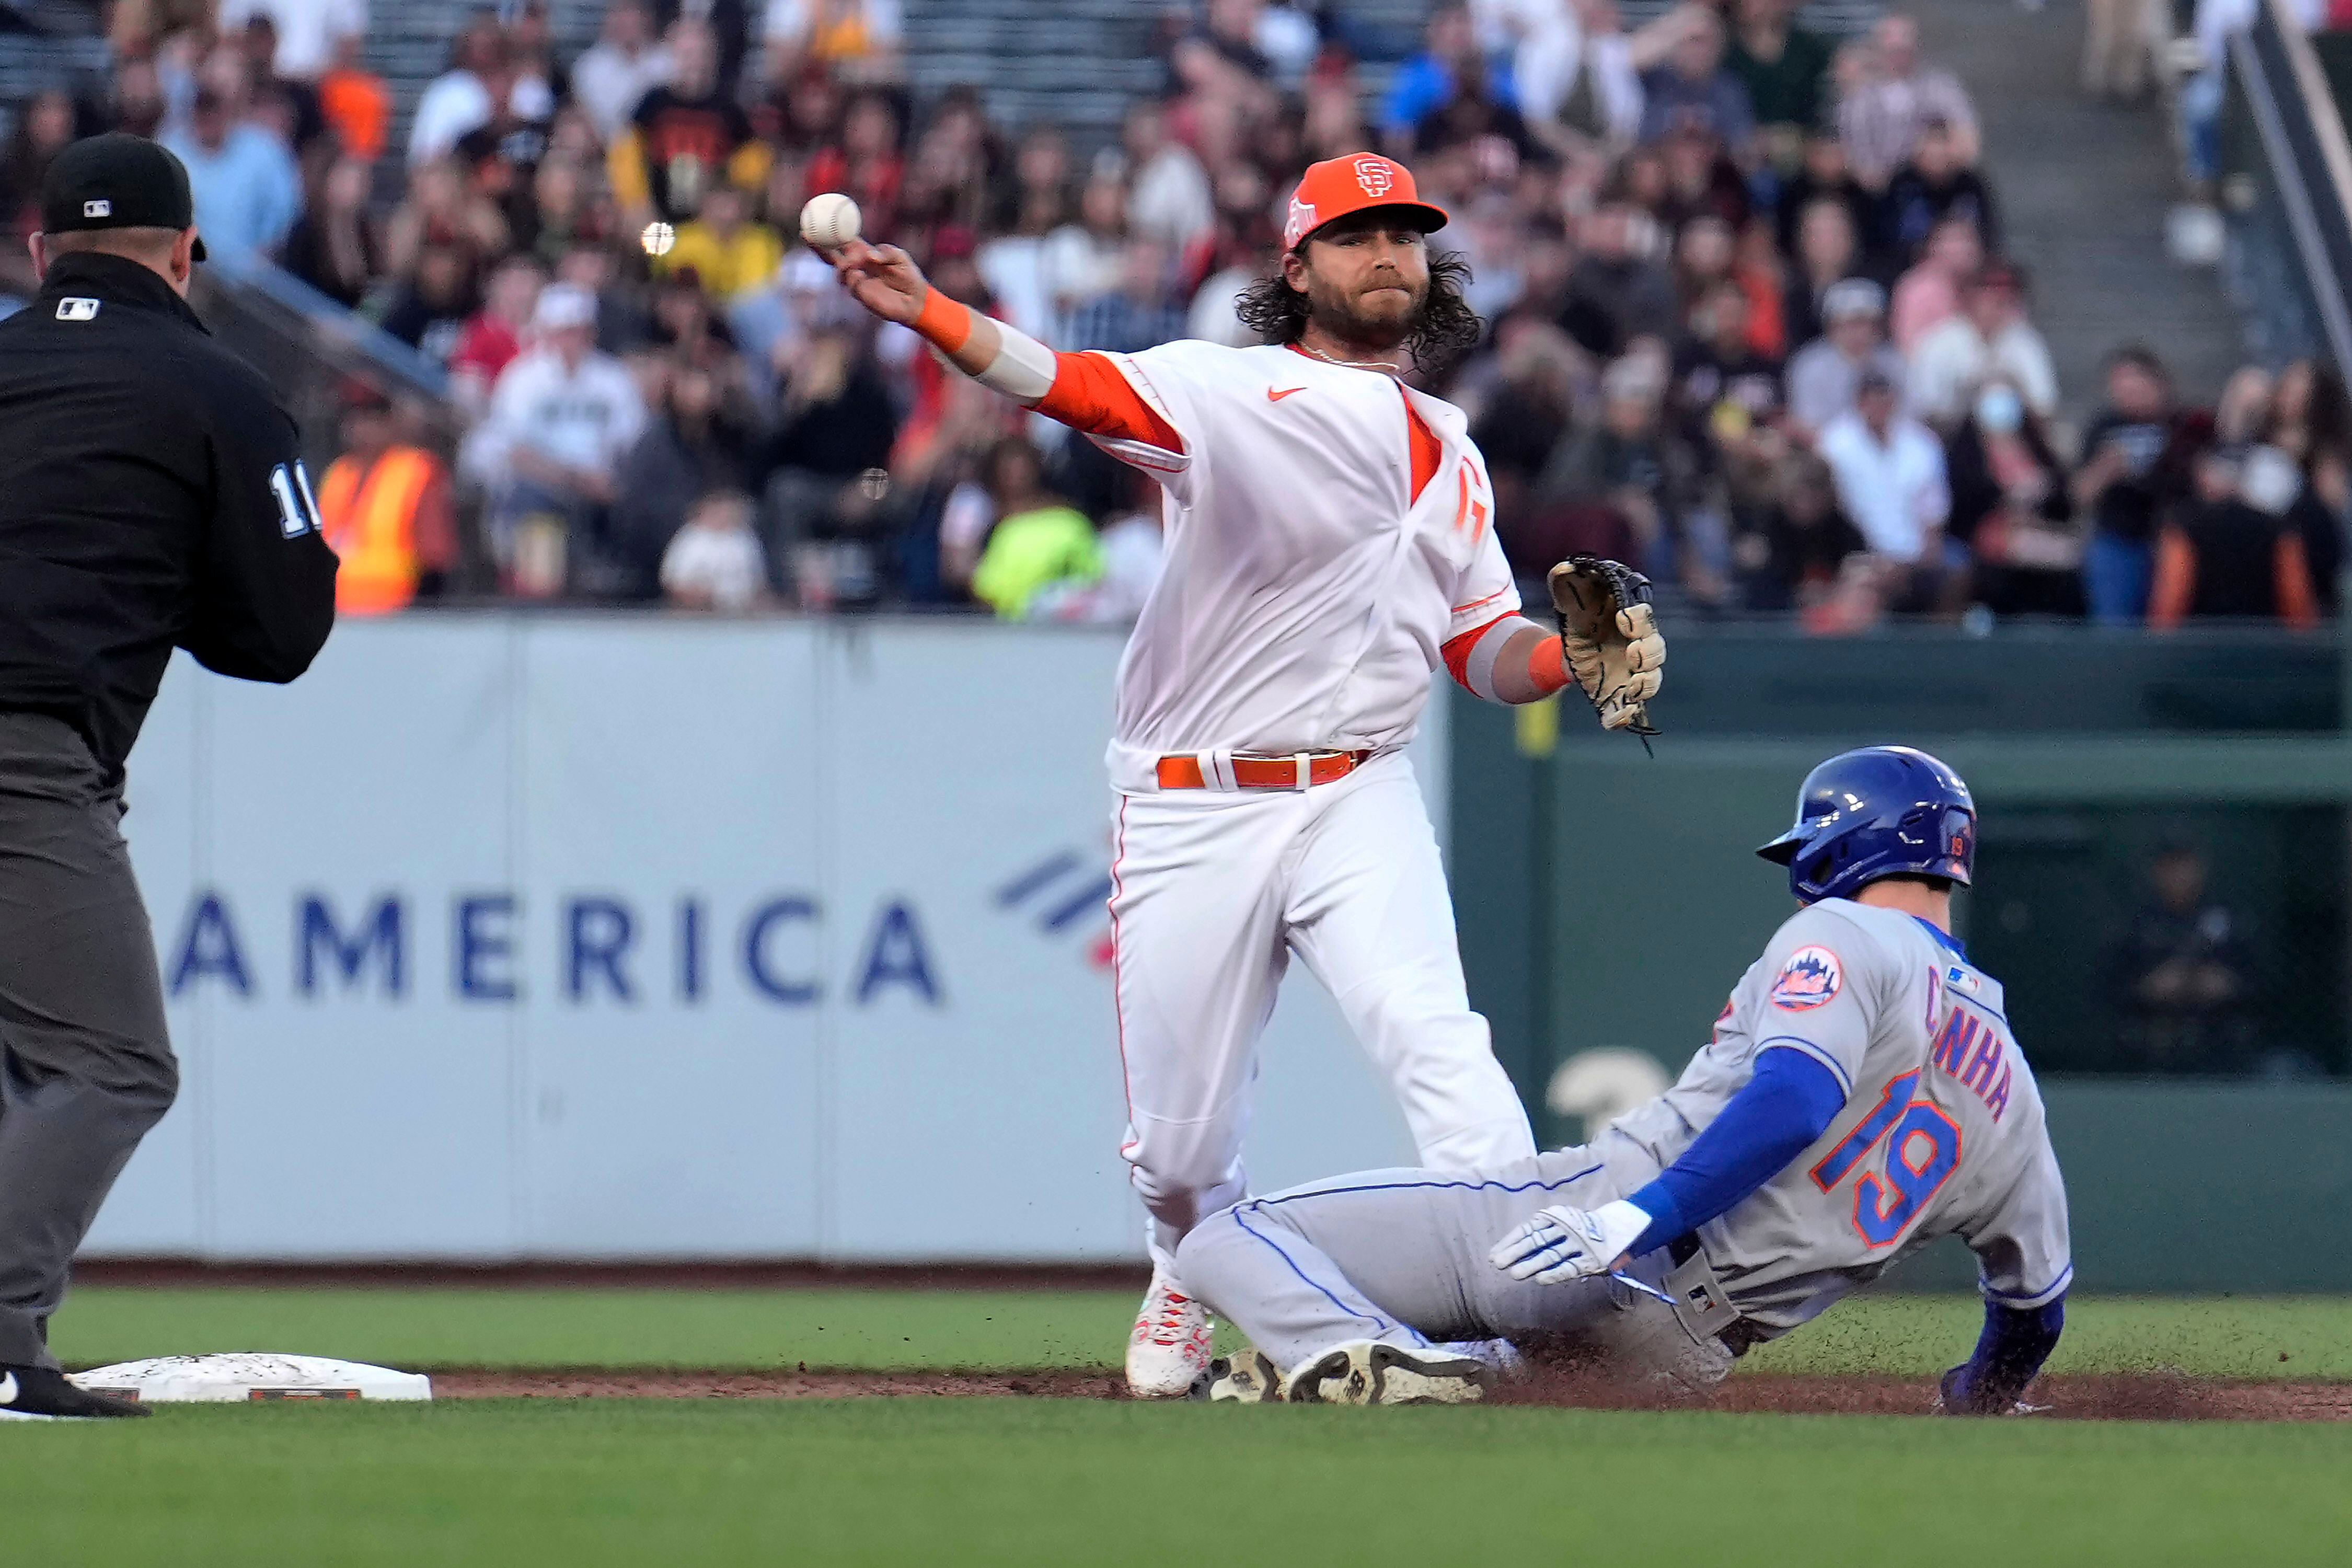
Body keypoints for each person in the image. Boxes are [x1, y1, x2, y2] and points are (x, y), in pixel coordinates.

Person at [824, 151, 1666, 1397]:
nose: (1385, 254)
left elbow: (1475, 648)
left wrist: (1570, 659)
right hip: (1188, 798)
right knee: (1176, 1154)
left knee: (1441, 1048)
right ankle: (1190, 1265)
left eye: (1403, 235)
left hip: (1356, 790)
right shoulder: (1224, 392)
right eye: (1354, 234)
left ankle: (1515, 1320)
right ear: (1297, 267)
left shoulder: (1452, 449)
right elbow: (1077, 390)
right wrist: (932, 312)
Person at [1179, 746, 2070, 1409]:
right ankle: (1414, 1369)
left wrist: (1632, 1217)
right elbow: (2033, 1315)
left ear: (1842, 850)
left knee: (1224, 1240)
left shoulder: (1848, 932)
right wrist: (1974, 1398)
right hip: (1681, 1356)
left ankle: (1364, 1353)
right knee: (1505, 1386)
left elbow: (1796, 1097)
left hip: (1601, 1227)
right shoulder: (2017, 1102)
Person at [0, 134, 337, 1416]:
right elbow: (282, 634)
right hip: (25, 751)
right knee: (107, 1061)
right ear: (189, 256)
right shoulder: (220, 389)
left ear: (40, 253)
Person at [2106, 843, 2253, 1074]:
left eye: (2185, 867)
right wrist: (2146, 987)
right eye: (2171, 868)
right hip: (2150, 1048)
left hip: (2219, 1046)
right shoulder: (2136, 925)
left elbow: (2256, 984)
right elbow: (2110, 989)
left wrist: (2225, 985)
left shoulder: (2228, 918)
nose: (2179, 877)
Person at [2072, 345, 2187, 624]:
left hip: (2172, 536)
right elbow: (2079, 493)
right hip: (2118, 539)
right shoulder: (2104, 427)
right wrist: (2105, 469)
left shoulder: (2181, 425)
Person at [315, 393, 457, 613]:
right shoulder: (338, 473)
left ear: (393, 422)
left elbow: (436, 558)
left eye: (373, 417)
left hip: (396, 617)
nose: (361, 427)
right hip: (338, 615)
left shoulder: (417, 470)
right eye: (355, 417)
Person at [1818, 367, 1951, 595]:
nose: (1877, 406)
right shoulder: (1834, 444)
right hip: (1856, 550)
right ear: (1859, 402)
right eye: (1870, 399)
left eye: (1883, 398)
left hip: (1915, 552)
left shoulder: (1922, 444)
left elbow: (1933, 507)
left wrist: (1928, 555)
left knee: (1957, 572)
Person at [1907, 261, 2056, 427]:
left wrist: (2010, 384)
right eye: (1992, 297)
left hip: (2017, 434)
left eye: (2008, 300)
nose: (2000, 306)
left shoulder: (2024, 340)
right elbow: (1926, 410)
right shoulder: (1940, 341)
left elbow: (2045, 407)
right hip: (1953, 438)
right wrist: (1971, 391)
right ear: (1972, 298)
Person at [1784, 276, 1903, 437]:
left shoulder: (1895, 363)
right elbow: (1806, 424)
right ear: (1831, 327)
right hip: (1828, 451)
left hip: (1888, 448)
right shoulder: (1809, 366)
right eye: (1848, 324)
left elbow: (1910, 419)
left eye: (1865, 323)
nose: (1858, 332)